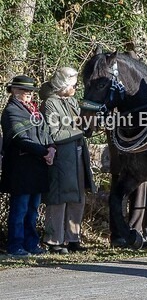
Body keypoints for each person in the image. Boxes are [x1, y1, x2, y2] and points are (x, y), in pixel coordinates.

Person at [2, 75, 56, 257]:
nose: (27, 94)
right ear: (13, 91)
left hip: (37, 168)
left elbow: (46, 132)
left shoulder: (34, 111)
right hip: (21, 169)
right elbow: (20, 138)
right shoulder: (11, 111)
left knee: (33, 209)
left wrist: (51, 148)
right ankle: (15, 245)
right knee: (20, 209)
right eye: (23, 91)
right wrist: (44, 152)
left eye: (30, 91)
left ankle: (31, 243)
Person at [42, 68, 94, 254]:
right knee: (58, 199)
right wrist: (80, 131)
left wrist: (88, 125)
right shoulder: (50, 104)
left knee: (78, 196)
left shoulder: (72, 101)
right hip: (61, 157)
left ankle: (73, 239)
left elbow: (80, 123)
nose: (75, 87)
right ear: (63, 85)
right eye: (72, 84)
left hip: (79, 155)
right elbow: (54, 133)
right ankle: (54, 240)